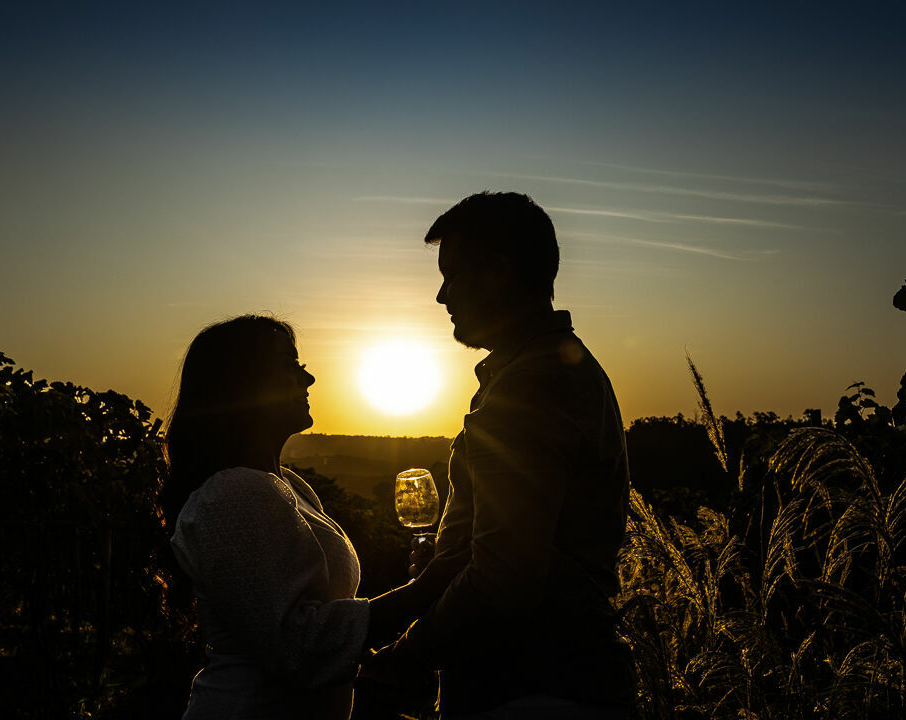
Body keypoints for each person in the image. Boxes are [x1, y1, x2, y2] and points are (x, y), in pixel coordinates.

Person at [368, 192, 636, 718]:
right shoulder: (546, 370)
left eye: (451, 276)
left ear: (495, 272)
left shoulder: (528, 387)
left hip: (536, 689)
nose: (442, 296)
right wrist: (365, 626)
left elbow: (501, 580)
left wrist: (393, 665)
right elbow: (465, 559)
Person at [161, 315, 463, 720]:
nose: (309, 379)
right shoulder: (232, 494)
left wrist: (381, 663)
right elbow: (295, 645)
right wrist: (430, 586)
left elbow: (311, 625)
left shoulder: (288, 486)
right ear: (242, 385)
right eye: (290, 364)